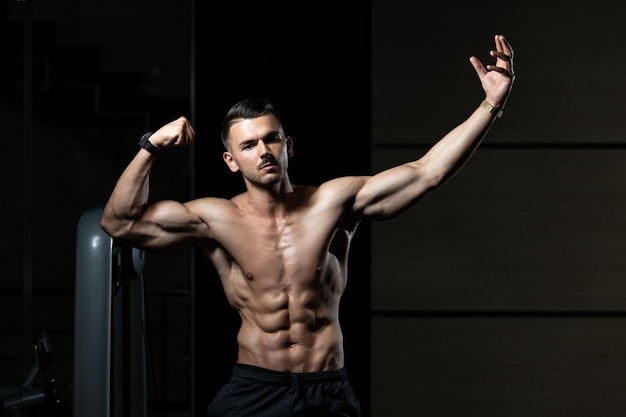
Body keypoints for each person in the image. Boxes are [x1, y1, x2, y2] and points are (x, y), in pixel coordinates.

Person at [100, 34, 515, 417]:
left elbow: (426, 172)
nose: (262, 151)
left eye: (271, 139)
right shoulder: (215, 218)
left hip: (326, 389)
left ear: (288, 146)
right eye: (248, 145)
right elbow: (120, 221)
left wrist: (490, 104)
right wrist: (151, 146)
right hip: (254, 390)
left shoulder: (334, 203)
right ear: (231, 161)